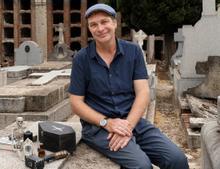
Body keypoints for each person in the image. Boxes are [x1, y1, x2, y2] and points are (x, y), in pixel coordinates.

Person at [68, 3, 189, 169]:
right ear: (89, 28)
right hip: (99, 128)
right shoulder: (81, 59)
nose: (100, 28)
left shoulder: (133, 52)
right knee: (142, 166)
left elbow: (143, 92)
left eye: (104, 22)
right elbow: (76, 103)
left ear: (115, 23)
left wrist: (128, 126)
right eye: (93, 25)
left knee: (177, 160)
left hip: (133, 121)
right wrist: (107, 123)